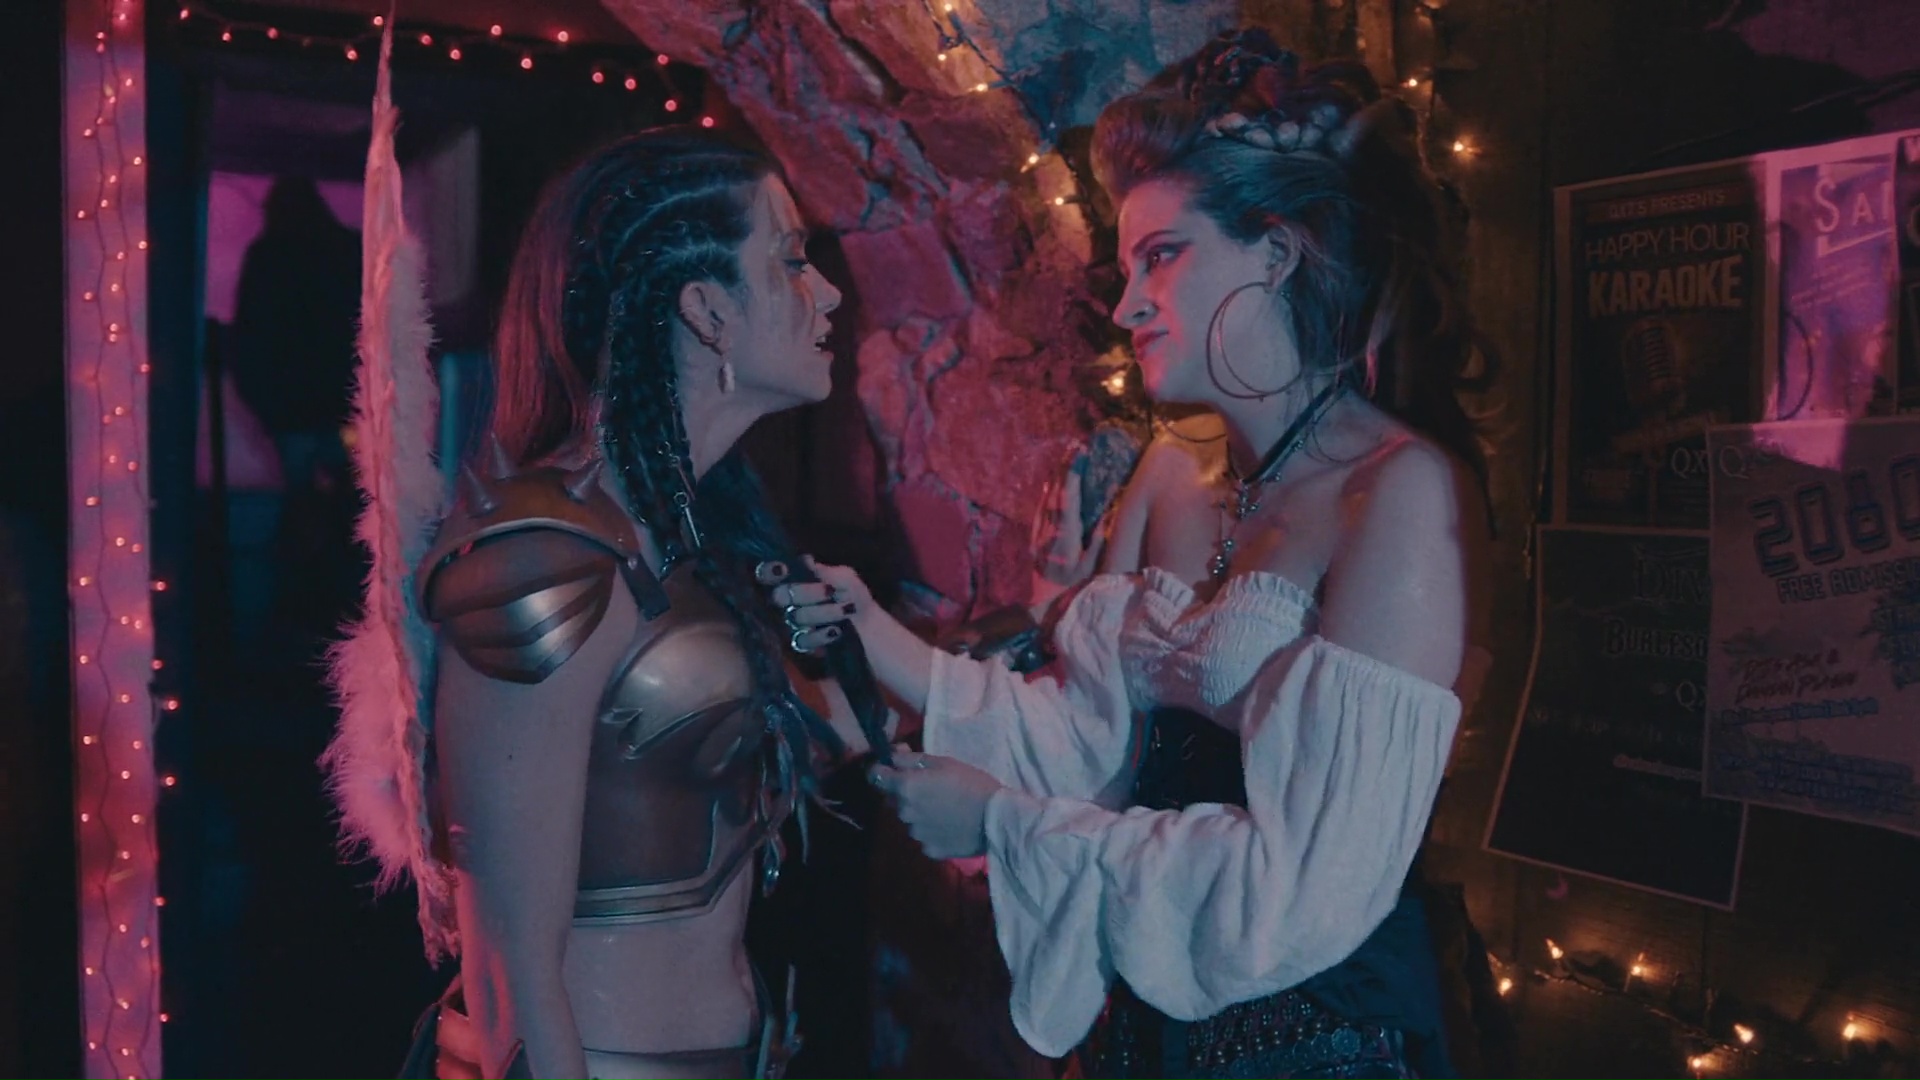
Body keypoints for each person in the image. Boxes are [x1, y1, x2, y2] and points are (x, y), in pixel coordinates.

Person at [773, 30, 1497, 1080]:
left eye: (1163, 255)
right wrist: (881, 639)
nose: (1127, 307)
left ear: (1279, 253)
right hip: (1156, 1038)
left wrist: (1003, 822)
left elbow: (1304, 888)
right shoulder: (1188, 480)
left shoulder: (1397, 492)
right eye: (1126, 269)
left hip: (1321, 1043)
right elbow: (1095, 746)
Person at [373, 129, 890, 1080]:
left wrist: (1042, 637)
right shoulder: (541, 559)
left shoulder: (697, 539)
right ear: (705, 309)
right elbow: (508, 966)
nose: (825, 293)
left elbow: (804, 743)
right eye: (789, 260)